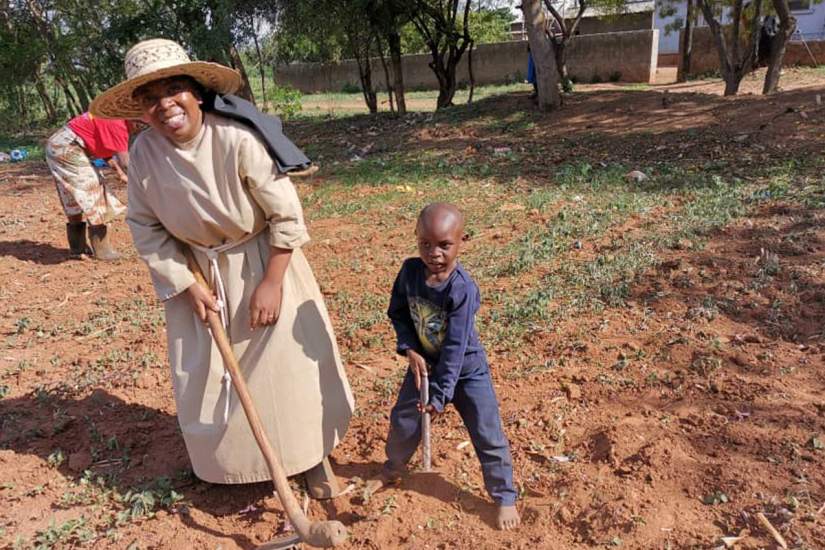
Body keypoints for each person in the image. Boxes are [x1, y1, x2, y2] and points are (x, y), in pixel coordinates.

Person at [89, 39, 354, 497]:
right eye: (150, 99)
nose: (165, 105)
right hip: (198, 276)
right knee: (210, 376)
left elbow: (286, 216)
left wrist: (272, 284)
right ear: (140, 112)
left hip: (264, 262)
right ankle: (235, 465)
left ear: (195, 92)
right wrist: (184, 284)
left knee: (286, 368)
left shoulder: (235, 137)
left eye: (174, 90)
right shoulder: (146, 155)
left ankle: (312, 458)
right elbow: (145, 226)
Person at [382, 203, 520, 530]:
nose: (435, 253)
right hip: (425, 366)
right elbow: (398, 313)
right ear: (416, 240)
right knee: (404, 420)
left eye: (444, 244)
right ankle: (394, 466)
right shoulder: (409, 272)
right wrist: (409, 349)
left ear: (462, 241)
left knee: (487, 432)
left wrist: (440, 395)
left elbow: (456, 348)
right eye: (425, 244)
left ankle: (504, 497)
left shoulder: (462, 289)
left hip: (467, 371)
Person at [45, 111, 131, 259]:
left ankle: (77, 247)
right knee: (93, 189)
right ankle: (102, 250)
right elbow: (126, 162)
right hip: (69, 147)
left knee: (70, 194)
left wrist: (120, 173)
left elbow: (104, 150)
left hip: (57, 145)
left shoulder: (109, 116)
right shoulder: (118, 123)